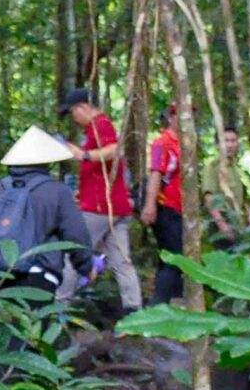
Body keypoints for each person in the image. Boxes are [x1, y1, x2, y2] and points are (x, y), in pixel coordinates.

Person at [0, 129, 93, 301]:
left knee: (4, 327)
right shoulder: (56, 191)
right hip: (40, 278)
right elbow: (76, 235)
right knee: (34, 327)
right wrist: (86, 268)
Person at [58, 87, 142, 312]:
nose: (73, 119)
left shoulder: (100, 124)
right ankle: (132, 312)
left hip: (100, 209)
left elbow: (115, 150)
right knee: (122, 262)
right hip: (114, 207)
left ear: (82, 107)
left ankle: (59, 308)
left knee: (74, 255)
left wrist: (83, 155)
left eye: (73, 112)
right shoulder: (97, 128)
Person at [147, 106, 187, 305]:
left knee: (175, 259)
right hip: (165, 208)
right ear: (171, 117)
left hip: (179, 209)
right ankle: (158, 306)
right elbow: (156, 173)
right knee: (173, 258)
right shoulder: (162, 143)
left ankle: (174, 304)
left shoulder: (184, 144)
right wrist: (150, 205)